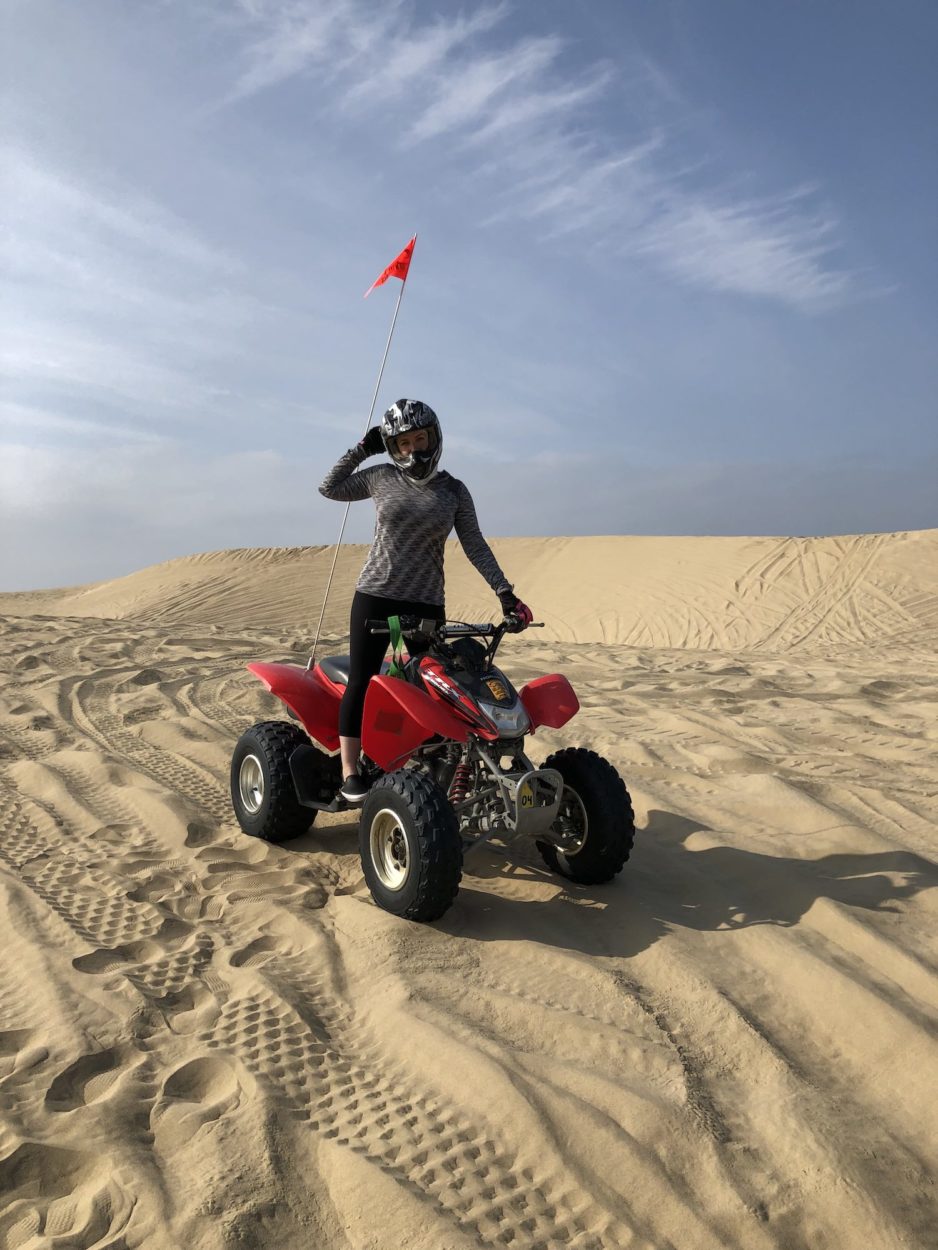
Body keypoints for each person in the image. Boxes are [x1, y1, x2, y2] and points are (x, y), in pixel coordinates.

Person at [319, 398, 533, 803]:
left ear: (434, 438)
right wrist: (364, 449)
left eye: (420, 438)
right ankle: (350, 771)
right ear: (392, 447)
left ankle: (419, 765)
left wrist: (505, 593)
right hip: (376, 596)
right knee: (364, 680)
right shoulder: (380, 477)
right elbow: (328, 487)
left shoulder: (453, 490)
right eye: (402, 443)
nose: (413, 449)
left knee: (428, 686)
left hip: (425, 604)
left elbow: (475, 544)